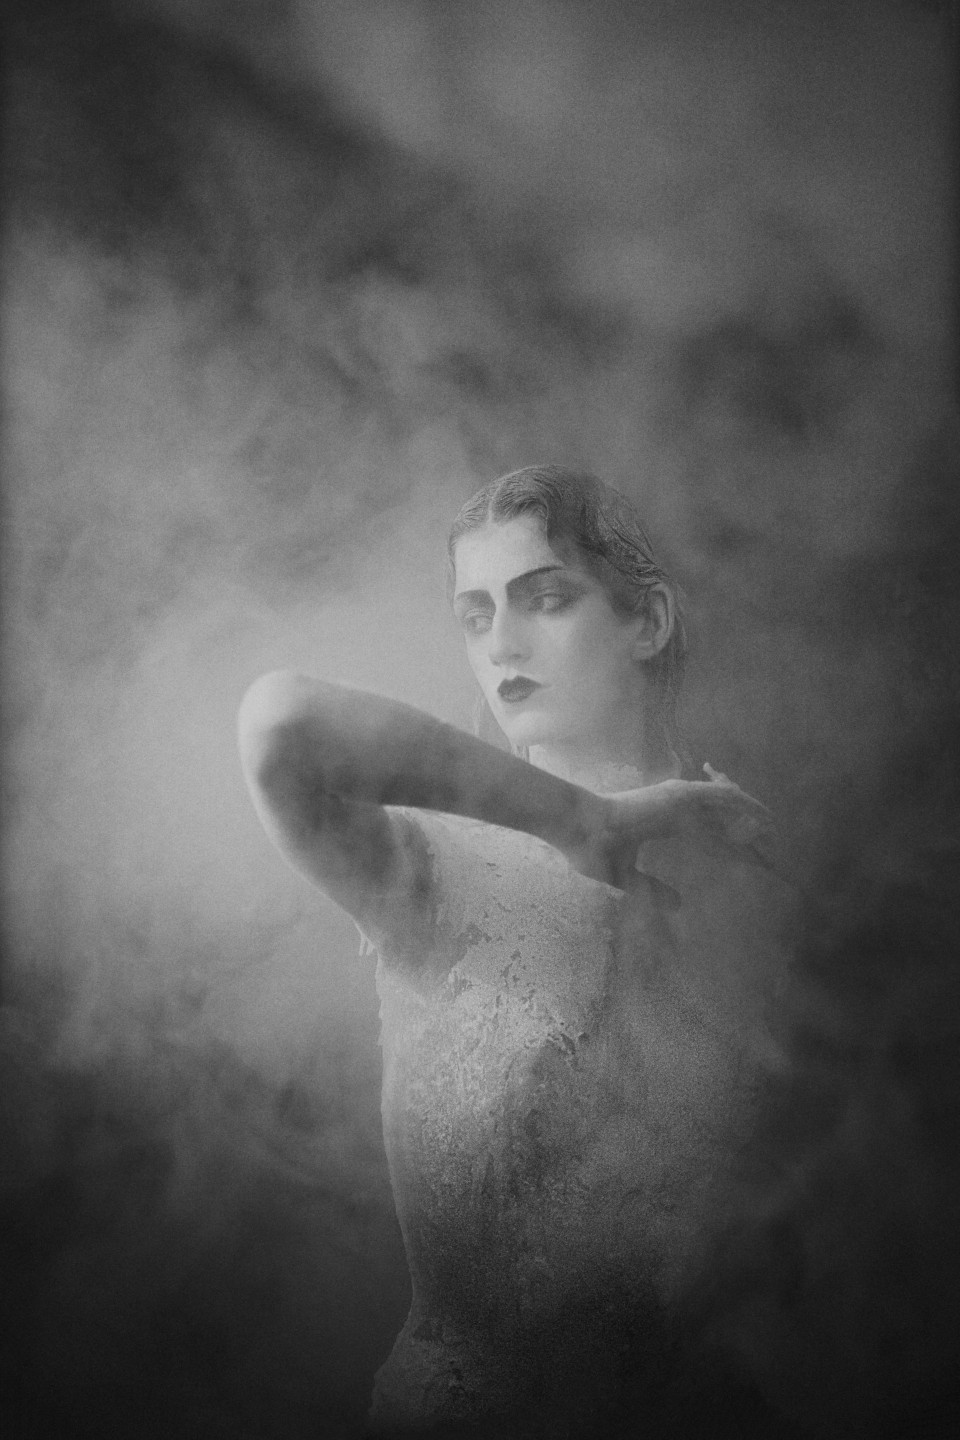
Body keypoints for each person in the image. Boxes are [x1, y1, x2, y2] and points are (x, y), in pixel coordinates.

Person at [237, 466, 790, 1438]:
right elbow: (282, 722)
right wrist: (586, 822)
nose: (501, 644)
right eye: (475, 614)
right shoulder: (430, 866)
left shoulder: (751, 878)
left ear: (648, 621)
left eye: (545, 599)